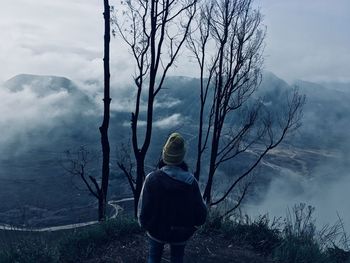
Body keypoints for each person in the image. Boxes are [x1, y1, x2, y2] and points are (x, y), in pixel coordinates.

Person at [138, 132, 207, 263]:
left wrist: (145, 225)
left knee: (154, 256)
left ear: (164, 155)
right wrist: (194, 225)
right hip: (181, 232)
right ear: (182, 156)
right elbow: (201, 212)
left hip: (156, 230)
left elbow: (143, 209)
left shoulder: (151, 179)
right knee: (177, 258)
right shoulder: (191, 181)